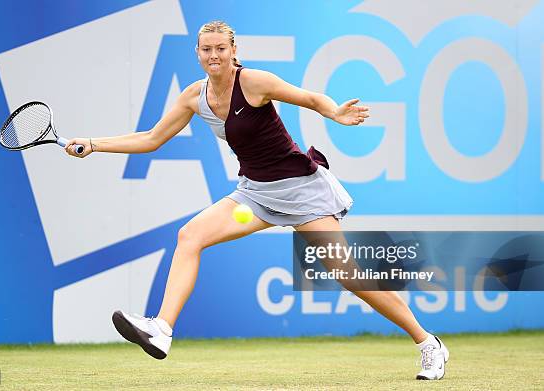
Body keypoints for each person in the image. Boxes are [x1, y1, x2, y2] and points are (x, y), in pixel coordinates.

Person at [65, 21, 449, 380]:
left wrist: (334, 112)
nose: (213, 56)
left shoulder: (254, 81)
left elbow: (308, 97)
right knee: (189, 236)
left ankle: (428, 343)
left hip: (301, 190)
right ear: (197, 54)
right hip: (254, 193)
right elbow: (151, 138)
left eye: (220, 49)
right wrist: (94, 144)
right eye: (206, 50)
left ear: (233, 51)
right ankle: (162, 329)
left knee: (348, 275)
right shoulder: (193, 97)